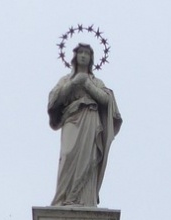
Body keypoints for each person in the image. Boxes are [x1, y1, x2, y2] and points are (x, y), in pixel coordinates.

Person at [48, 42, 121, 207]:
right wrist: (75, 83)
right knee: (68, 154)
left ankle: (79, 198)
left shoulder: (96, 81)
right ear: (75, 56)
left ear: (91, 58)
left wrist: (86, 83)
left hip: (90, 119)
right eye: (80, 52)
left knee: (88, 158)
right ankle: (62, 198)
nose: (83, 56)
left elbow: (106, 100)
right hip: (71, 119)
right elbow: (55, 99)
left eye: (86, 53)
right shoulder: (66, 80)